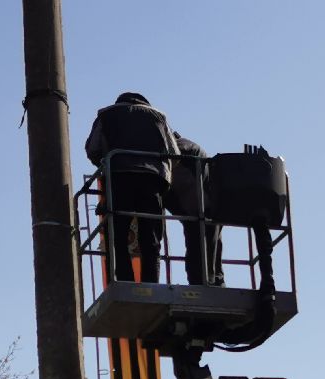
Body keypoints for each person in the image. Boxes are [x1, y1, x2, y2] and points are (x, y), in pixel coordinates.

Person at [85, 92, 179, 283]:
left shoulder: (106, 115)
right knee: (151, 236)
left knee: (118, 234)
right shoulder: (158, 116)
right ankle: (151, 281)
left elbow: (92, 149)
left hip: (120, 178)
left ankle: (124, 279)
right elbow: (174, 153)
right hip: (152, 181)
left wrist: (106, 166)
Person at [165, 133, 224, 286]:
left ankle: (205, 283)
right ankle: (214, 282)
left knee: (201, 241)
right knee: (209, 243)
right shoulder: (187, 147)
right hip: (203, 203)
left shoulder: (182, 147)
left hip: (201, 205)